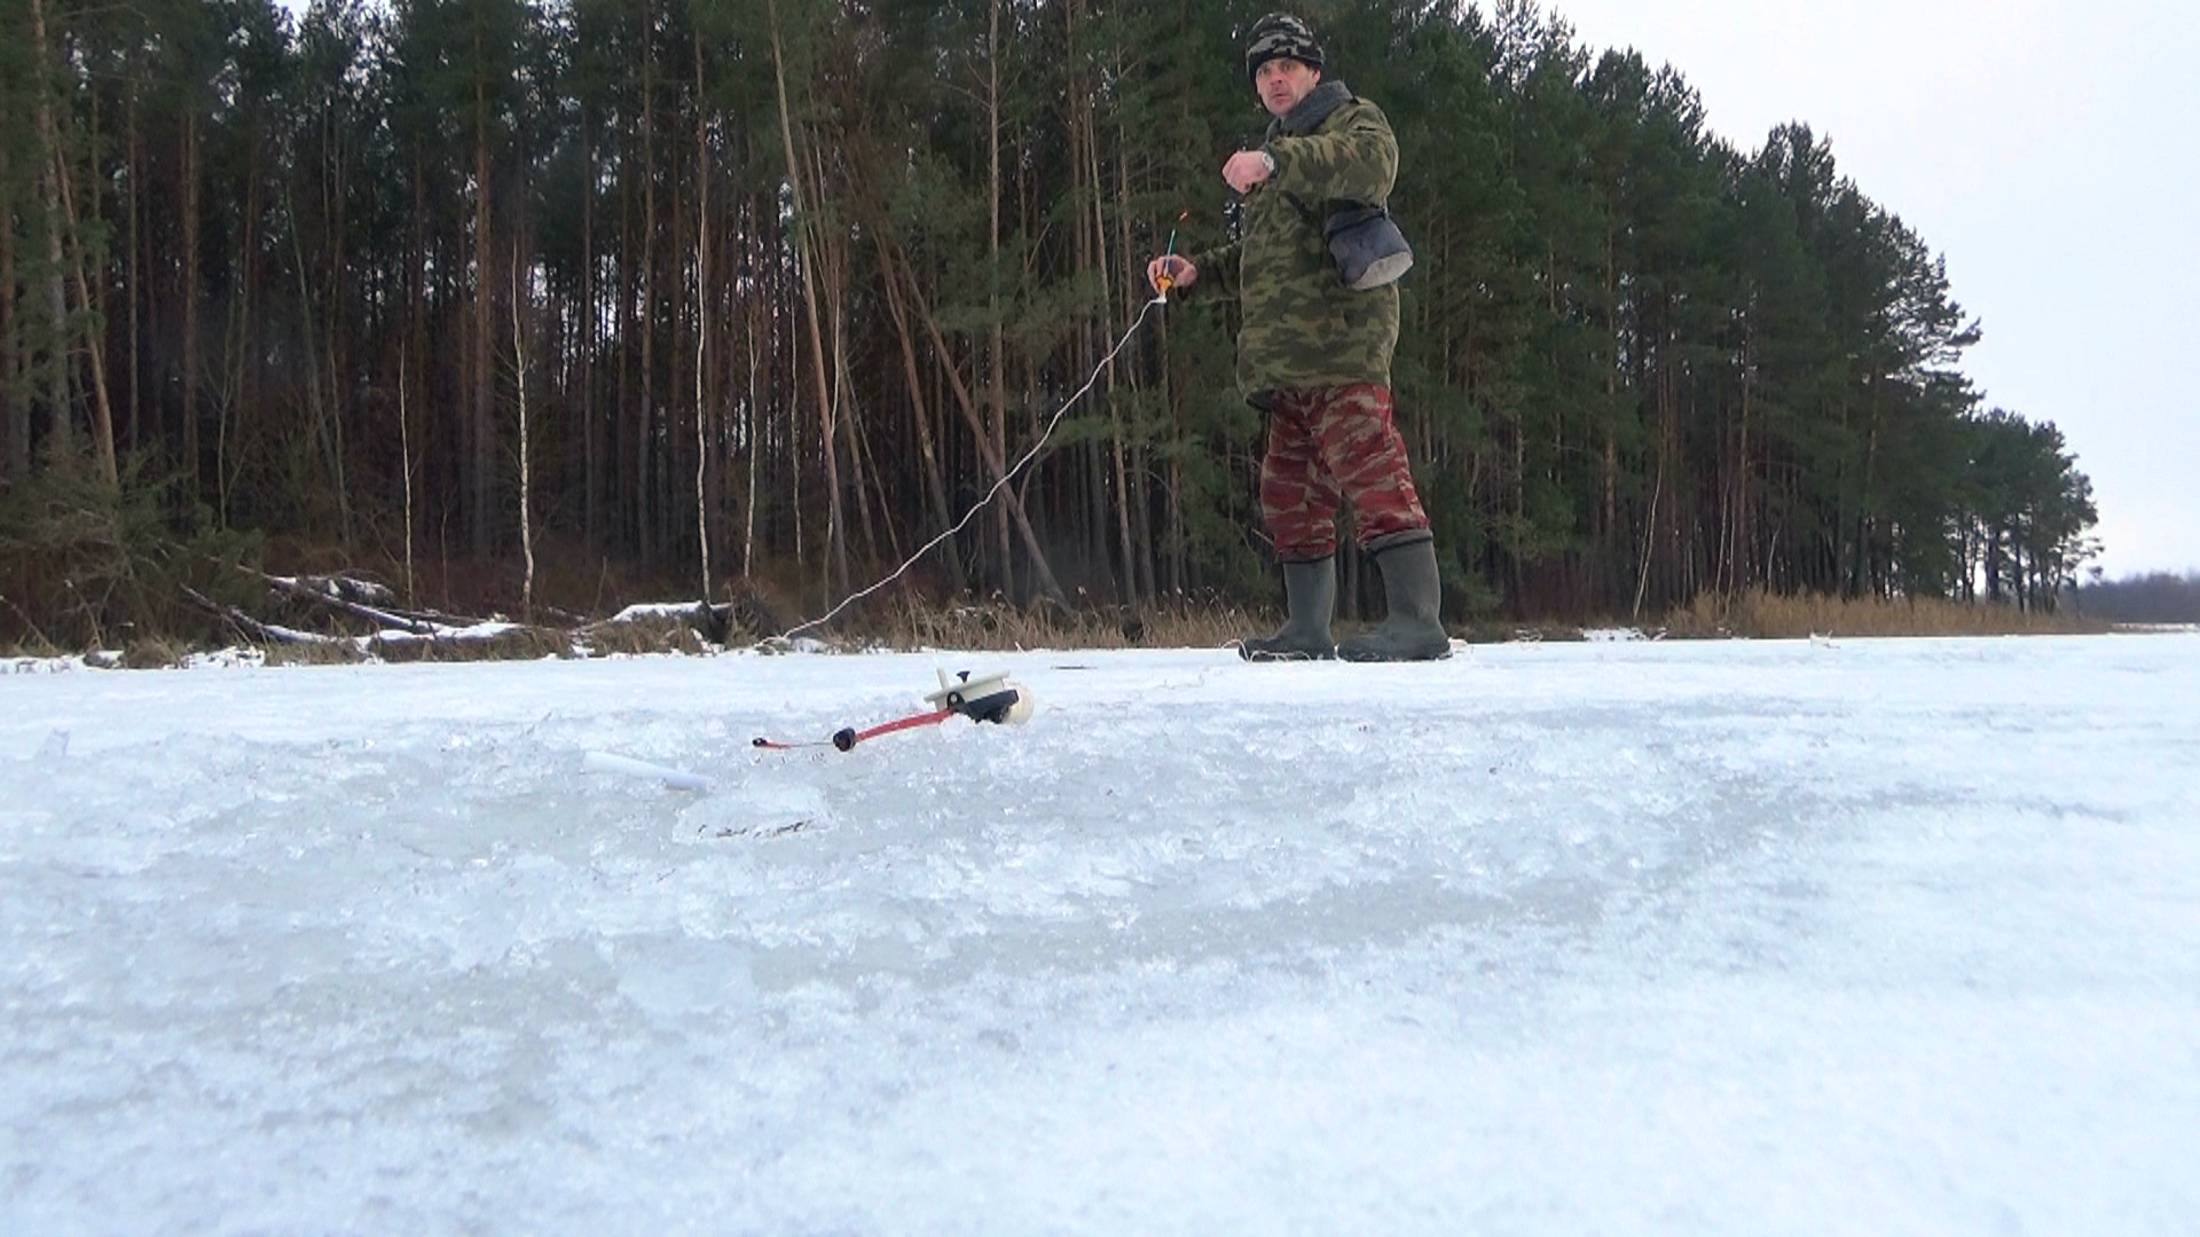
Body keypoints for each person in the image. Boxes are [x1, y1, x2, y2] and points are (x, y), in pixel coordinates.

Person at [1147, 12, 1449, 663]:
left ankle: (1418, 621)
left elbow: (1374, 166)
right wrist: (1197, 274)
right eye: (1264, 71)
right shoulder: (1277, 154)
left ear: (1313, 71)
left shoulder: (1351, 121)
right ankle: (1308, 628)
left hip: (1342, 349)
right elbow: (1264, 259)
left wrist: (1275, 160)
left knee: (1372, 470)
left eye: (1287, 66)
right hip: (1285, 368)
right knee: (1289, 494)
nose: (1275, 79)